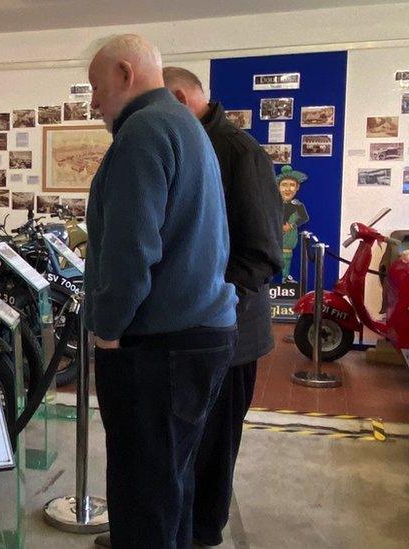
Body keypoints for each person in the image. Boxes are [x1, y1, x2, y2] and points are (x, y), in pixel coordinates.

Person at [84, 35, 238, 549]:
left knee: (142, 492)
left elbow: (131, 251)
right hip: (198, 336)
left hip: (159, 348)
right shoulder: (182, 125)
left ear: (126, 73)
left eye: (95, 86)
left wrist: (107, 329)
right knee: (171, 481)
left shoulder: (143, 132)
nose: (93, 101)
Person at [164, 67, 284, 547]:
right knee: (184, 445)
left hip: (229, 333)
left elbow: (261, 254)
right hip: (195, 327)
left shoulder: (237, 151)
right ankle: (169, 531)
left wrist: (202, 293)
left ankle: (199, 535)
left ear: (179, 97)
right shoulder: (195, 142)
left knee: (213, 446)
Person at [277, 166, 309, 281]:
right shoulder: (274, 203)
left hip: (288, 239)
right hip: (273, 238)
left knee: (286, 256)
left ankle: (285, 278)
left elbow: (304, 218)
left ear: (297, 187)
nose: (288, 189)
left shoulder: (297, 205)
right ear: (278, 187)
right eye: (284, 185)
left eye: (291, 185)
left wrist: (291, 226)